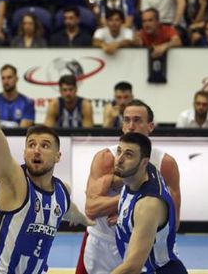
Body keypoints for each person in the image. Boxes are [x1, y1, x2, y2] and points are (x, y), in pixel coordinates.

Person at [0, 39, 92, 274]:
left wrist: (89, 221)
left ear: (58, 156)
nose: (36, 150)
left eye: (44, 145)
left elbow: (70, 211)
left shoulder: (62, 191)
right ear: (24, 152)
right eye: (31, 145)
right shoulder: (13, 182)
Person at [75, 99, 181, 274]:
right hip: (103, 243)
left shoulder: (165, 163)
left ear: (151, 126)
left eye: (137, 120)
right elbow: (91, 209)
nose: (131, 126)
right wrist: (128, 209)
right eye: (126, 120)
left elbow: (174, 220)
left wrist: (135, 218)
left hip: (144, 244)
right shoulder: (106, 158)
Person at [112, 133, 187, 274]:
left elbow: (132, 267)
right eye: (119, 151)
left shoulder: (148, 205)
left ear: (144, 162)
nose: (119, 159)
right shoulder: (137, 174)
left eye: (129, 155)